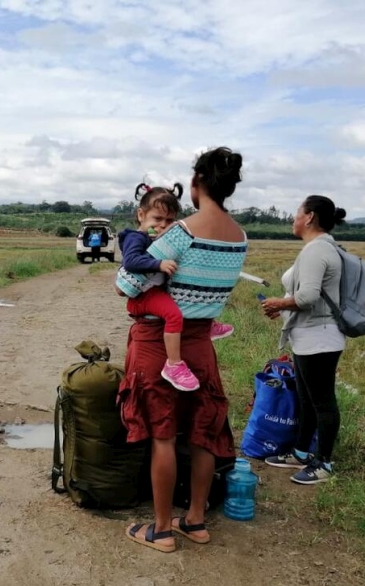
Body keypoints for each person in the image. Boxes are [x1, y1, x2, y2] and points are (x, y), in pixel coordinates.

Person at [120, 147, 248, 552]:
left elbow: (128, 283)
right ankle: (195, 520)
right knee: (203, 432)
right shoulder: (240, 237)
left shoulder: (182, 232)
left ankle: (160, 529)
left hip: (159, 343)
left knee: (162, 433)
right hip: (201, 344)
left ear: (196, 183)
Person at [260, 195, 347, 484]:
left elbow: (308, 297)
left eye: (297, 212)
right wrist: (281, 306)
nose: (293, 218)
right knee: (306, 399)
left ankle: (324, 463)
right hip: (310, 337)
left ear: (309, 217)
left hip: (319, 339)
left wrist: (278, 303)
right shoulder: (321, 248)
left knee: (322, 401)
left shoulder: (316, 250)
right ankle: (300, 452)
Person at [116, 183, 235, 392]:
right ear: (141, 215)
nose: (163, 225)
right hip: (145, 295)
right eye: (157, 219)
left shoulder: (158, 237)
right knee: (174, 316)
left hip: (157, 290)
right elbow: (131, 262)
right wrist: (158, 263)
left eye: (169, 220)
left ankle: (208, 324)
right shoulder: (136, 237)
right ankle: (173, 364)